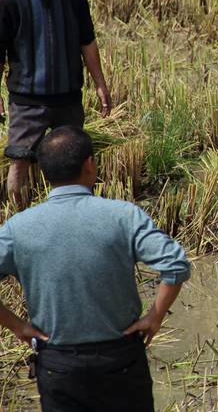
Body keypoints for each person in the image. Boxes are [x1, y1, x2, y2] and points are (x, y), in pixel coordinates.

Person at [0, 126, 190, 411]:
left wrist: (18, 326)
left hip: (58, 365)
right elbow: (175, 264)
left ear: (44, 173)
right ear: (89, 164)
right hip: (120, 359)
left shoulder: (18, 228)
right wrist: (155, 316)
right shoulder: (124, 215)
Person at [0, 0, 112, 208]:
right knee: (20, 158)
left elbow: (88, 42)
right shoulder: (11, 3)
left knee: (73, 160)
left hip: (68, 98)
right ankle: (20, 217)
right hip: (27, 100)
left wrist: (100, 84)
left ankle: (73, 214)